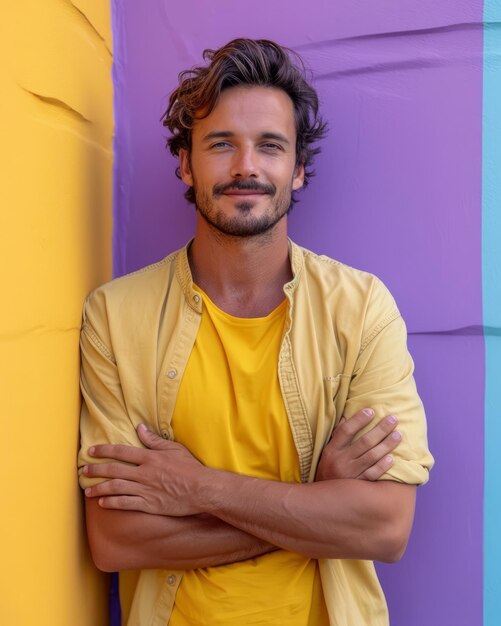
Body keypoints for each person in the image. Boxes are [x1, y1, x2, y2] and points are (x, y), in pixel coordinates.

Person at [78, 38, 433, 626]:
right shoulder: (115, 317)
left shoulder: (361, 309)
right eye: (221, 144)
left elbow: (384, 526)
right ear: (188, 163)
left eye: (270, 146)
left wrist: (199, 489)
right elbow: (118, 539)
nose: (246, 166)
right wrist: (316, 498)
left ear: (296, 170)